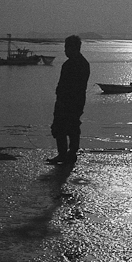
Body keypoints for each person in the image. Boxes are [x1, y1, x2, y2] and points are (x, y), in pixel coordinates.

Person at [48, 35, 90, 165]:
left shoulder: (72, 64)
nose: (65, 51)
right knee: (72, 126)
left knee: (62, 126)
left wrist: (61, 99)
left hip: (69, 101)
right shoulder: (82, 63)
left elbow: (68, 86)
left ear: (74, 48)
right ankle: (69, 153)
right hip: (76, 101)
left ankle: (66, 154)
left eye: (67, 48)